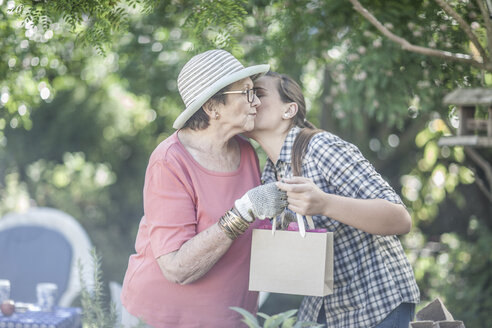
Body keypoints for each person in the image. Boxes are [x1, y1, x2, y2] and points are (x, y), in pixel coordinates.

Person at [120, 50, 287, 327]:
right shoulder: (169, 162)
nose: (256, 101)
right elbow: (176, 268)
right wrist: (243, 211)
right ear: (212, 107)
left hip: (232, 317)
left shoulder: (246, 151)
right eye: (246, 92)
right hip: (162, 318)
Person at [246, 71, 420, 327]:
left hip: (378, 305)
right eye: (248, 94)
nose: (251, 101)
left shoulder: (320, 148)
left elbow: (400, 219)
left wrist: (324, 203)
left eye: (259, 94)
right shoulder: (271, 171)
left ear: (289, 110)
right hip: (326, 309)